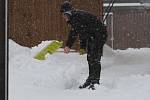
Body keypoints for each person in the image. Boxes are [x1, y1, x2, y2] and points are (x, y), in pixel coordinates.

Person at [60, 1, 107, 90]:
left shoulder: (76, 17)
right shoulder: (74, 18)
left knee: (95, 58)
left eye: (64, 14)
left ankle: (95, 82)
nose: (63, 17)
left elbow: (76, 33)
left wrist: (69, 46)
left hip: (99, 35)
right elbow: (80, 32)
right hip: (92, 35)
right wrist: (80, 47)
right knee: (90, 58)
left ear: (68, 12)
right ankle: (90, 79)